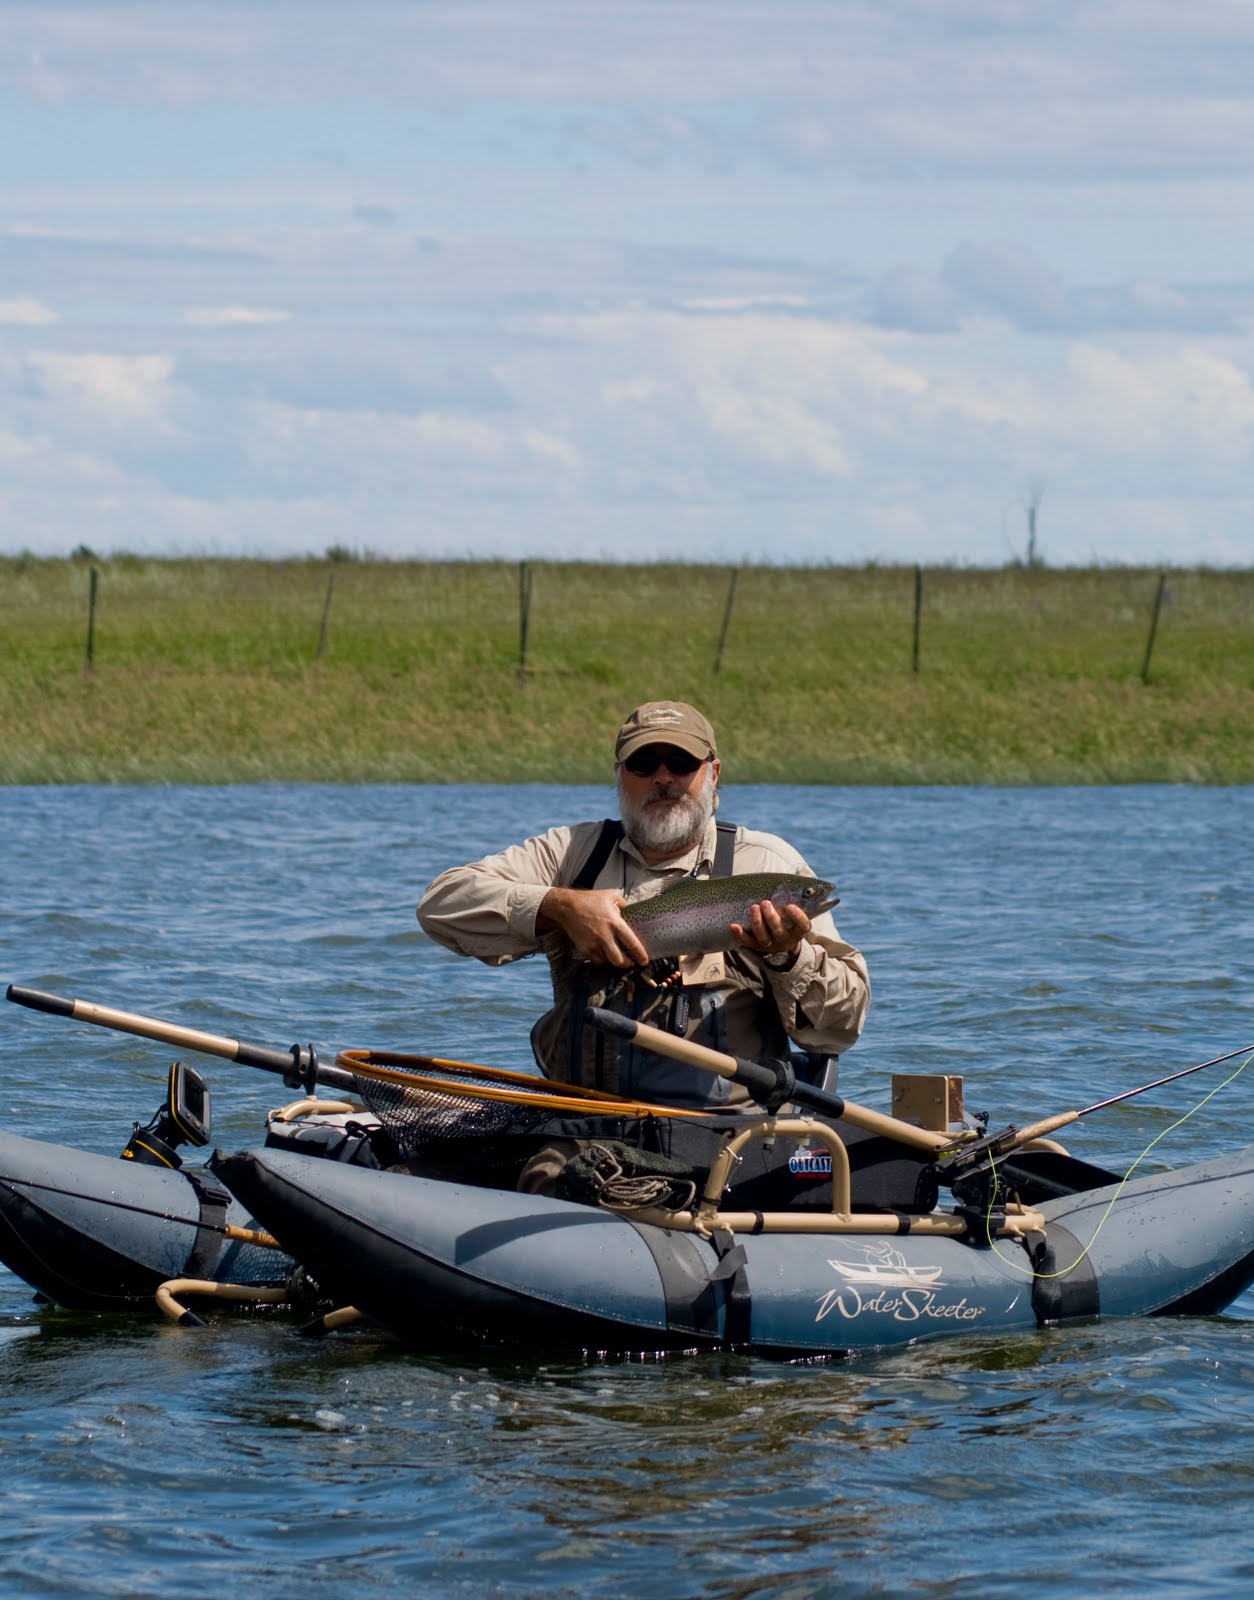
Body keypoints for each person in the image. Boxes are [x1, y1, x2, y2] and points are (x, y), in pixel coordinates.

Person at [417, 700, 870, 1112]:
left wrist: (788, 956)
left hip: (724, 1134)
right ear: (619, 775)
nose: (663, 777)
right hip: (585, 1117)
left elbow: (840, 1031)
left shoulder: (768, 862)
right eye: (643, 763)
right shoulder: (573, 854)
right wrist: (557, 907)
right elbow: (440, 903)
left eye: (681, 763)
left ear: (714, 773)